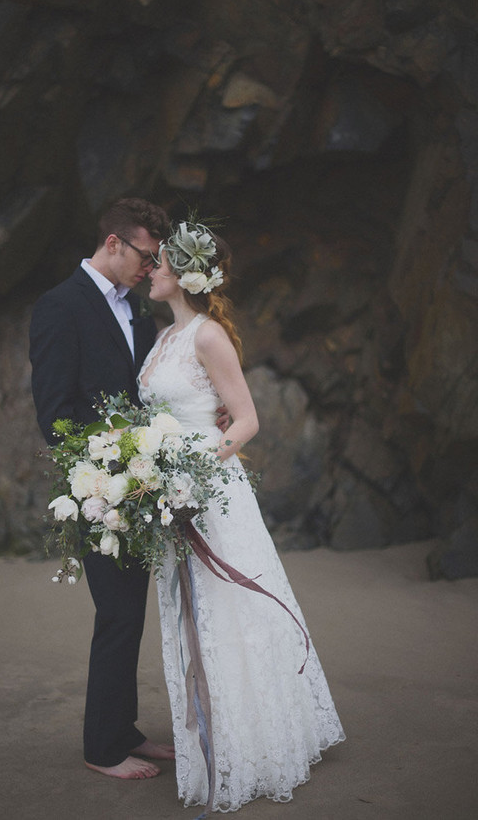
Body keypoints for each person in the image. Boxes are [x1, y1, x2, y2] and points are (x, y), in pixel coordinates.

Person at [138, 220, 345, 812]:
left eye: (158, 264)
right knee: (190, 614)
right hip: (169, 491)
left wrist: (191, 476)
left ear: (182, 274)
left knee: (226, 609)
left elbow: (247, 419)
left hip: (205, 491)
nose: (149, 271)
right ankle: (214, 734)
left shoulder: (207, 336)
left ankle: (247, 742)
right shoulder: (161, 340)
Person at [29, 198, 175, 780]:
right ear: (113, 242)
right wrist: (103, 475)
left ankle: (124, 730)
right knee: (116, 614)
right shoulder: (59, 306)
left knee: (130, 614)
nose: (151, 265)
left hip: (143, 488)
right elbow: (54, 412)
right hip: (99, 491)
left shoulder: (139, 312)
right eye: (145, 254)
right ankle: (101, 748)